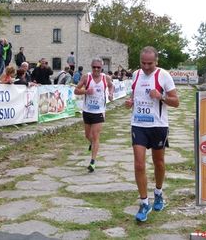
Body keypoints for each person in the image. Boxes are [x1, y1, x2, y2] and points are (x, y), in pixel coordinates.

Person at [125, 46, 179, 222]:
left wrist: (161, 96)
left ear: (156, 61)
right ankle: (144, 202)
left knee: (159, 162)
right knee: (139, 165)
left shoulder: (164, 76)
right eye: (143, 63)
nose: (146, 67)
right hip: (138, 124)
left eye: (150, 63)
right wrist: (130, 102)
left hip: (158, 126)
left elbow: (176, 102)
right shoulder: (136, 74)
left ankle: (158, 192)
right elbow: (135, 95)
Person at [74, 58, 114, 172]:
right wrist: (85, 91)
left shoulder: (106, 78)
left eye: (98, 67)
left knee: (96, 136)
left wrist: (110, 94)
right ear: (91, 67)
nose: (96, 69)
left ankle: (92, 161)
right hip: (87, 110)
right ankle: (92, 143)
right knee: (88, 135)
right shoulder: (86, 77)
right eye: (94, 67)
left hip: (99, 111)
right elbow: (76, 91)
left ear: (102, 68)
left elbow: (111, 86)